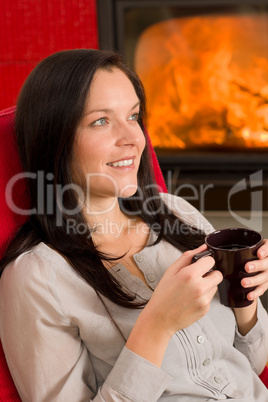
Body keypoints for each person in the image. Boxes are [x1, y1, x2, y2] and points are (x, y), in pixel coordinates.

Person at [0, 49, 267, 402]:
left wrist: (244, 295)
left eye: (133, 116)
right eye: (101, 121)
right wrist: (157, 326)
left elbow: (251, 363)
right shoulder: (36, 277)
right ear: (55, 137)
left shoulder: (177, 214)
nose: (133, 138)